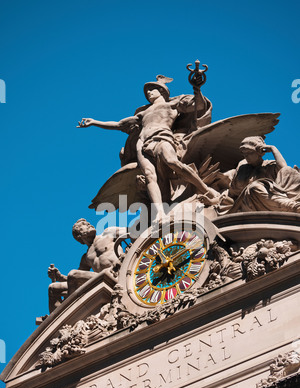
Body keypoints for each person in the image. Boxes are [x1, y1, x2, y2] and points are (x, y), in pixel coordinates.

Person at [77, 76, 218, 219]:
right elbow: (119, 125)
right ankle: (160, 213)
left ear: (162, 91)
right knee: (150, 176)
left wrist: (197, 88)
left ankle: (206, 190)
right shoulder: (142, 113)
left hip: (162, 137)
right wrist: (94, 122)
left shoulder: (173, 105)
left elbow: (199, 106)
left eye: (152, 90)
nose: (149, 93)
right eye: (147, 91)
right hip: (142, 144)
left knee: (172, 162)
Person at [200, 136, 300, 214]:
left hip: (273, 199)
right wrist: (211, 201)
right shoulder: (242, 169)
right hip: (249, 204)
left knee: (289, 171)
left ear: (259, 152)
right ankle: (292, 207)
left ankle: (291, 205)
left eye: (249, 152)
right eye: (243, 153)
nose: (246, 156)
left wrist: (273, 148)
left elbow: (285, 169)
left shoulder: (270, 166)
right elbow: (230, 195)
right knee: (254, 187)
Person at [47, 219, 127, 313]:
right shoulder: (86, 257)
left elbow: (133, 231)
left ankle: (72, 311)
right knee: (53, 288)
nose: (88, 224)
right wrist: (59, 277)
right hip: (102, 279)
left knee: (73, 274)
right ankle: (60, 321)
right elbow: (74, 281)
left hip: (116, 271)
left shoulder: (108, 233)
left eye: (88, 223)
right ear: (79, 236)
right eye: (83, 225)